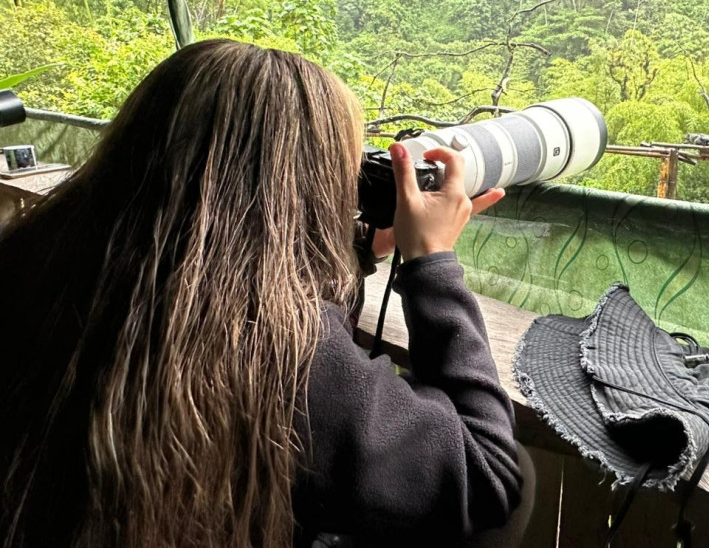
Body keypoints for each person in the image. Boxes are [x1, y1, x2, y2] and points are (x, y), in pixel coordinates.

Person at [0, 39, 533, 547]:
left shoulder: (35, 255)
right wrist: (431, 261)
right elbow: (488, 470)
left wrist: (361, 252)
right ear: (307, 192)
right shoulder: (283, 350)